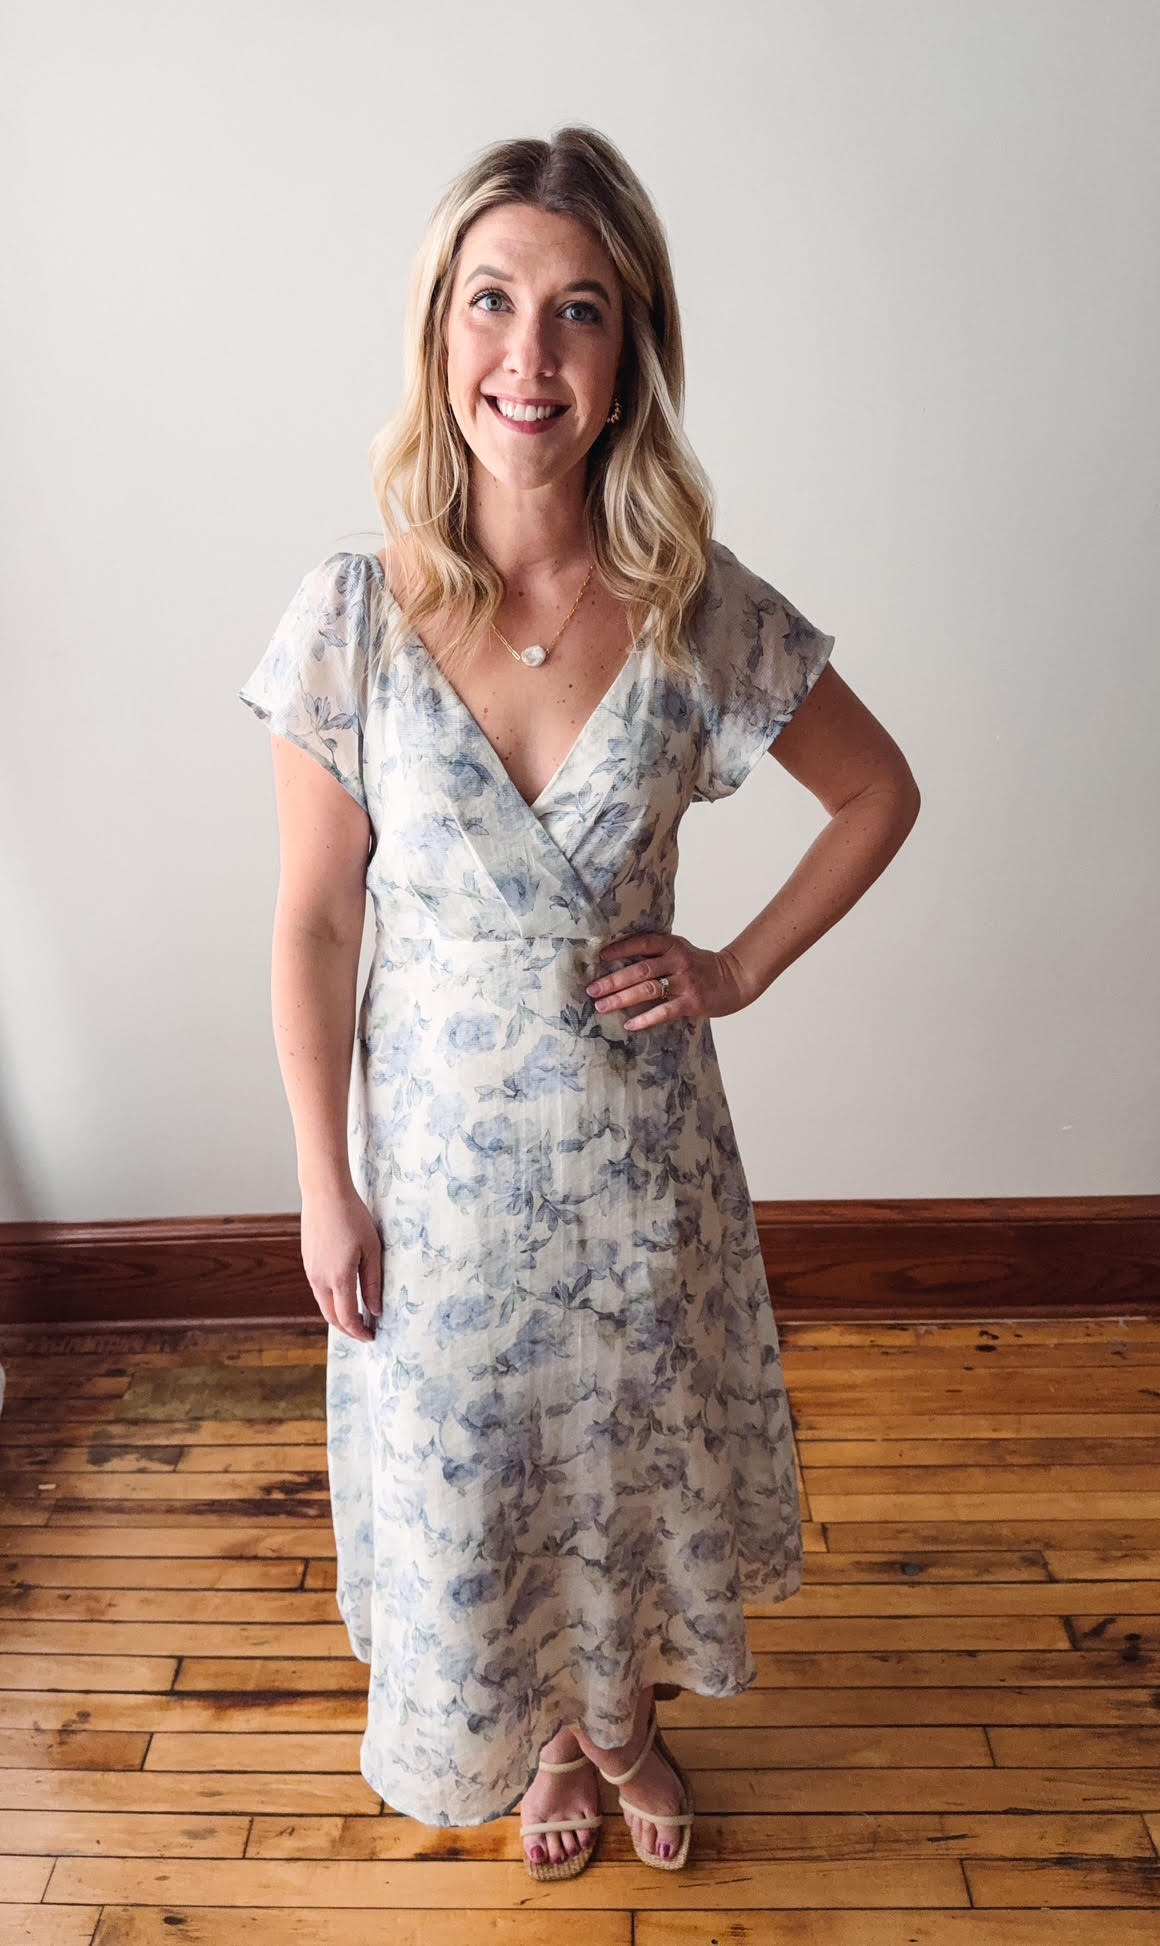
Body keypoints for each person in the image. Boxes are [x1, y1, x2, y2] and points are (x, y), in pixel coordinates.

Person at [238, 125, 920, 1880]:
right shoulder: (353, 618)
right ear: (439, 332)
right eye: (491, 304)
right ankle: (543, 1729)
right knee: (485, 1480)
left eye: (578, 315)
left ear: (628, 361)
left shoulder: (694, 611)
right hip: (441, 1186)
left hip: (638, 1165)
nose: (526, 359)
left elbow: (880, 793)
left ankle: (622, 1722)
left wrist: (738, 965)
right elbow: (315, 925)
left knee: (620, 1461)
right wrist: (326, 1180)